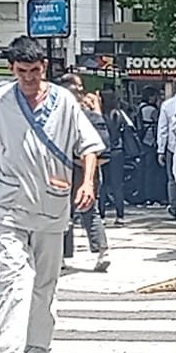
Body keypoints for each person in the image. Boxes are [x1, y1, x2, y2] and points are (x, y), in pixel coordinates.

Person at [0, 37, 104, 353]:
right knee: (15, 280)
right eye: (22, 71)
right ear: (12, 69)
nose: (29, 78)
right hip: (9, 204)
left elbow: (88, 145)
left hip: (52, 204)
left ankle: (38, 350)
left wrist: (88, 182)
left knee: (44, 282)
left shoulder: (65, 102)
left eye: (35, 71)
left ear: (44, 68)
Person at [57, 74, 112, 272]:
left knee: (63, 211)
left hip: (67, 167)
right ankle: (102, 250)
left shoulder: (61, 115)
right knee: (89, 209)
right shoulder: (91, 113)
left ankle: (61, 256)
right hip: (90, 167)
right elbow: (104, 146)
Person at [155, 77, 176, 219]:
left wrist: (160, 150)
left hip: (172, 147)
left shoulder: (167, 105)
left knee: (172, 178)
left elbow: (162, 129)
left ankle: (174, 207)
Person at [99, 90, 130, 225]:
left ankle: (101, 215)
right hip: (118, 151)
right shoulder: (118, 114)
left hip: (103, 151)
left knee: (103, 184)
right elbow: (129, 127)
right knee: (117, 185)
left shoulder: (99, 115)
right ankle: (120, 215)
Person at [136, 86, 165, 206]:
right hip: (150, 142)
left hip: (143, 142)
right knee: (152, 170)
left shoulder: (140, 108)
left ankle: (144, 195)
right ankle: (152, 195)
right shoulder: (152, 110)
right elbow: (160, 123)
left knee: (144, 170)